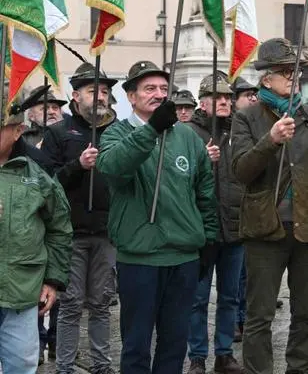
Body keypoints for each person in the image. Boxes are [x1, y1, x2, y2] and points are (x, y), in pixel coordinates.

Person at [95, 60, 218, 374]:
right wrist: (151, 131)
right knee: (136, 346)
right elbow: (113, 168)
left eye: (164, 89)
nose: (159, 94)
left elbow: (205, 190)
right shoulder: (115, 134)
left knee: (175, 345)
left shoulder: (188, 138)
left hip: (183, 258)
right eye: (149, 88)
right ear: (132, 97)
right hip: (140, 259)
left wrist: (209, 237)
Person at [231, 39, 308, 374]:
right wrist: (271, 140)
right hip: (265, 229)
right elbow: (241, 171)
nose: (293, 77)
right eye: (284, 72)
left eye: (296, 71)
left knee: (307, 313)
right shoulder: (247, 117)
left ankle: (300, 369)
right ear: (266, 80)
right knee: (259, 315)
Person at [42, 63, 118, 374]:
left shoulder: (116, 130)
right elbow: (47, 182)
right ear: (75, 96)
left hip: (106, 232)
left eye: (105, 91)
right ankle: (65, 365)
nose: (101, 97)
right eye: (93, 91)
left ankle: (101, 363)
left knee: (101, 304)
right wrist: (77, 165)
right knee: (71, 304)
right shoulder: (59, 133)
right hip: (70, 233)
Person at [0, 91, 72, 374]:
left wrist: (53, 280)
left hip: (22, 292)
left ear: (18, 131)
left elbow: (59, 227)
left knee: (22, 366)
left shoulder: (37, 171)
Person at [185, 73, 246, 374]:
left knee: (230, 297)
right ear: (204, 101)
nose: (225, 102)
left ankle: (224, 353)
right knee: (197, 299)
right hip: (202, 229)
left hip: (234, 226)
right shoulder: (188, 133)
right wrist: (202, 162)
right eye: (218, 97)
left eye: (228, 98)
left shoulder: (239, 130)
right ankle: (197, 355)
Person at [230, 76, 257, 342]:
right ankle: (235, 321)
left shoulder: (255, 124)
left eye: (253, 94)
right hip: (228, 213)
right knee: (234, 278)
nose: (252, 98)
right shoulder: (232, 128)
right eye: (246, 95)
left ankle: (246, 318)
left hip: (250, 209)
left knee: (248, 275)